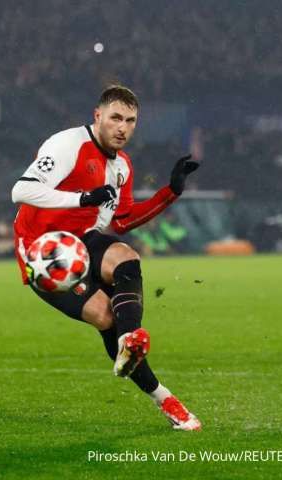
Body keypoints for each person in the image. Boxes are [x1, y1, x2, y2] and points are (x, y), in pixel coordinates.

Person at [11, 85, 202, 431]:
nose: (122, 128)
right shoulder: (67, 145)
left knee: (127, 258)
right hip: (44, 251)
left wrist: (170, 192)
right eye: (115, 118)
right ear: (97, 116)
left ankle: (129, 342)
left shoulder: (122, 166)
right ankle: (165, 398)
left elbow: (122, 221)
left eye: (130, 121)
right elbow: (21, 190)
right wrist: (83, 199)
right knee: (104, 317)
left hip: (82, 240)